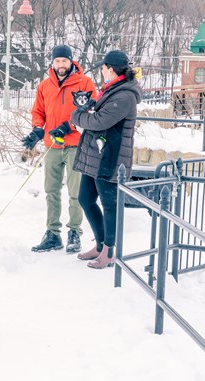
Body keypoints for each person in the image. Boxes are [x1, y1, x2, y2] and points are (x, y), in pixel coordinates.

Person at [69, 50, 142, 269]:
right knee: (85, 198)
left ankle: (110, 251)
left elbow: (100, 121)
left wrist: (76, 116)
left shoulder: (125, 95)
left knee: (109, 205)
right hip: (97, 154)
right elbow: (97, 114)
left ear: (111, 69)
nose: (101, 71)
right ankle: (100, 245)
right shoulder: (112, 90)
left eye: (103, 67)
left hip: (111, 156)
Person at [22, 45, 97, 254]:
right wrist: (37, 130)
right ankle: (53, 234)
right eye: (57, 61)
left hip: (75, 144)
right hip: (52, 146)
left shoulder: (84, 83)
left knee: (76, 192)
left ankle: (74, 232)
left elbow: (91, 110)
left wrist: (68, 127)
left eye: (64, 61)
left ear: (71, 61)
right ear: (52, 63)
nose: (61, 64)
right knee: (51, 191)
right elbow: (38, 111)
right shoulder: (45, 86)